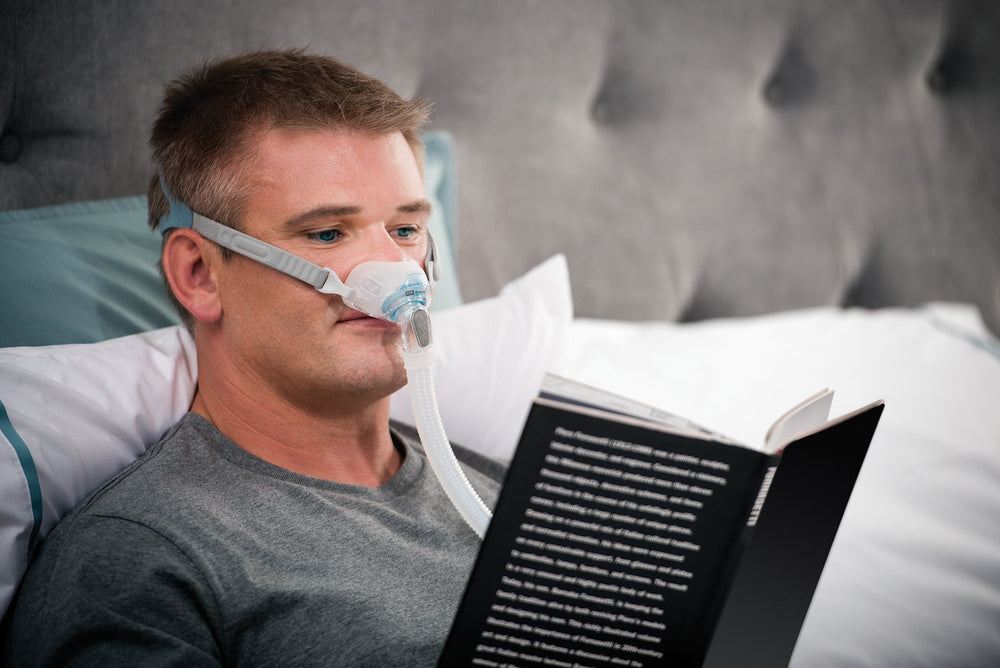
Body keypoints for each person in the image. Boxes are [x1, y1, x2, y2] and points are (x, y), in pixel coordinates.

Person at [1, 50, 504, 666]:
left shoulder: (503, 496)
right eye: (326, 233)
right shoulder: (141, 562)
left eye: (405, 230)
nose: (397, 271)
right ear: (199, 275)